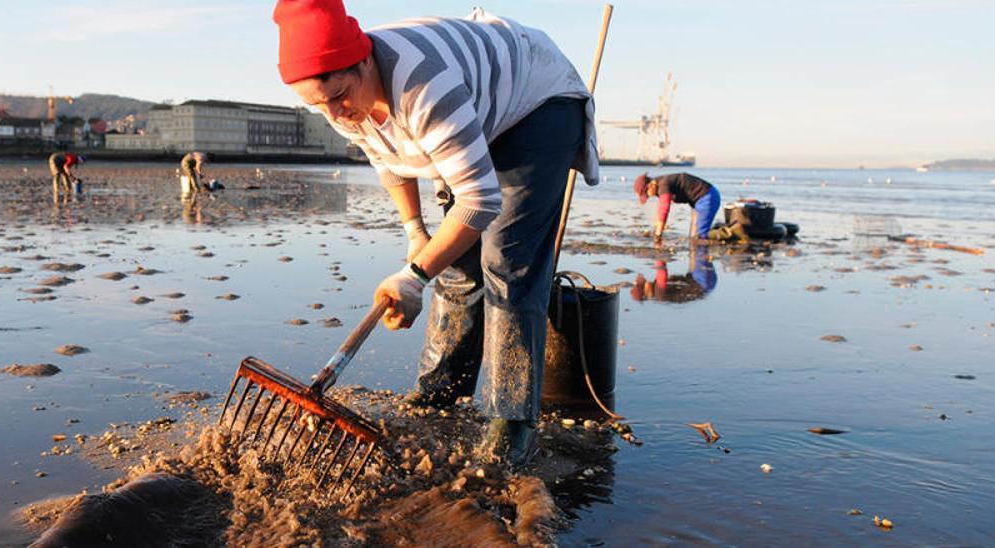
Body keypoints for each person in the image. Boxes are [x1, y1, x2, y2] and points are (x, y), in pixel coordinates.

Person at [274, 0, 600, 466]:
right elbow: (386, 158)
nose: (337, 113)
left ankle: (510, 420)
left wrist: (412, 276)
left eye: (340, 95)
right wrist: (416, 236)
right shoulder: (340, 98)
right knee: (455, 265)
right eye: (318, 105)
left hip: (538, 101)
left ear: (365, 60)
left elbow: (480, 201)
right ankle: (441, 390)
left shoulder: (425, 86)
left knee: (506, 259)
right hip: (480, 105)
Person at [634, 172, 721, 241]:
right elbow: (660, 210)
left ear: (650, 186)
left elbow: (664, 209)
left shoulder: (664, 185)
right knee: (693, 237)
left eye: (647, 195)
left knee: (699, 236)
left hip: (707, 197)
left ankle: (729, 233)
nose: (649, 197)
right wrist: (657, 227)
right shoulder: (658, 186)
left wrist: (658, 234)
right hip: (697, 202)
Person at [629, 246, 717, 304]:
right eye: (642, 283)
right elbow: (661, 269)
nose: (646, 280)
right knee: (699, 247)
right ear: (645, 290)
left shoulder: (659, 296)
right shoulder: (659, 291)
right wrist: (658, 252)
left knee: (698, 253)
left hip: (708, 286)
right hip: (702, 281)